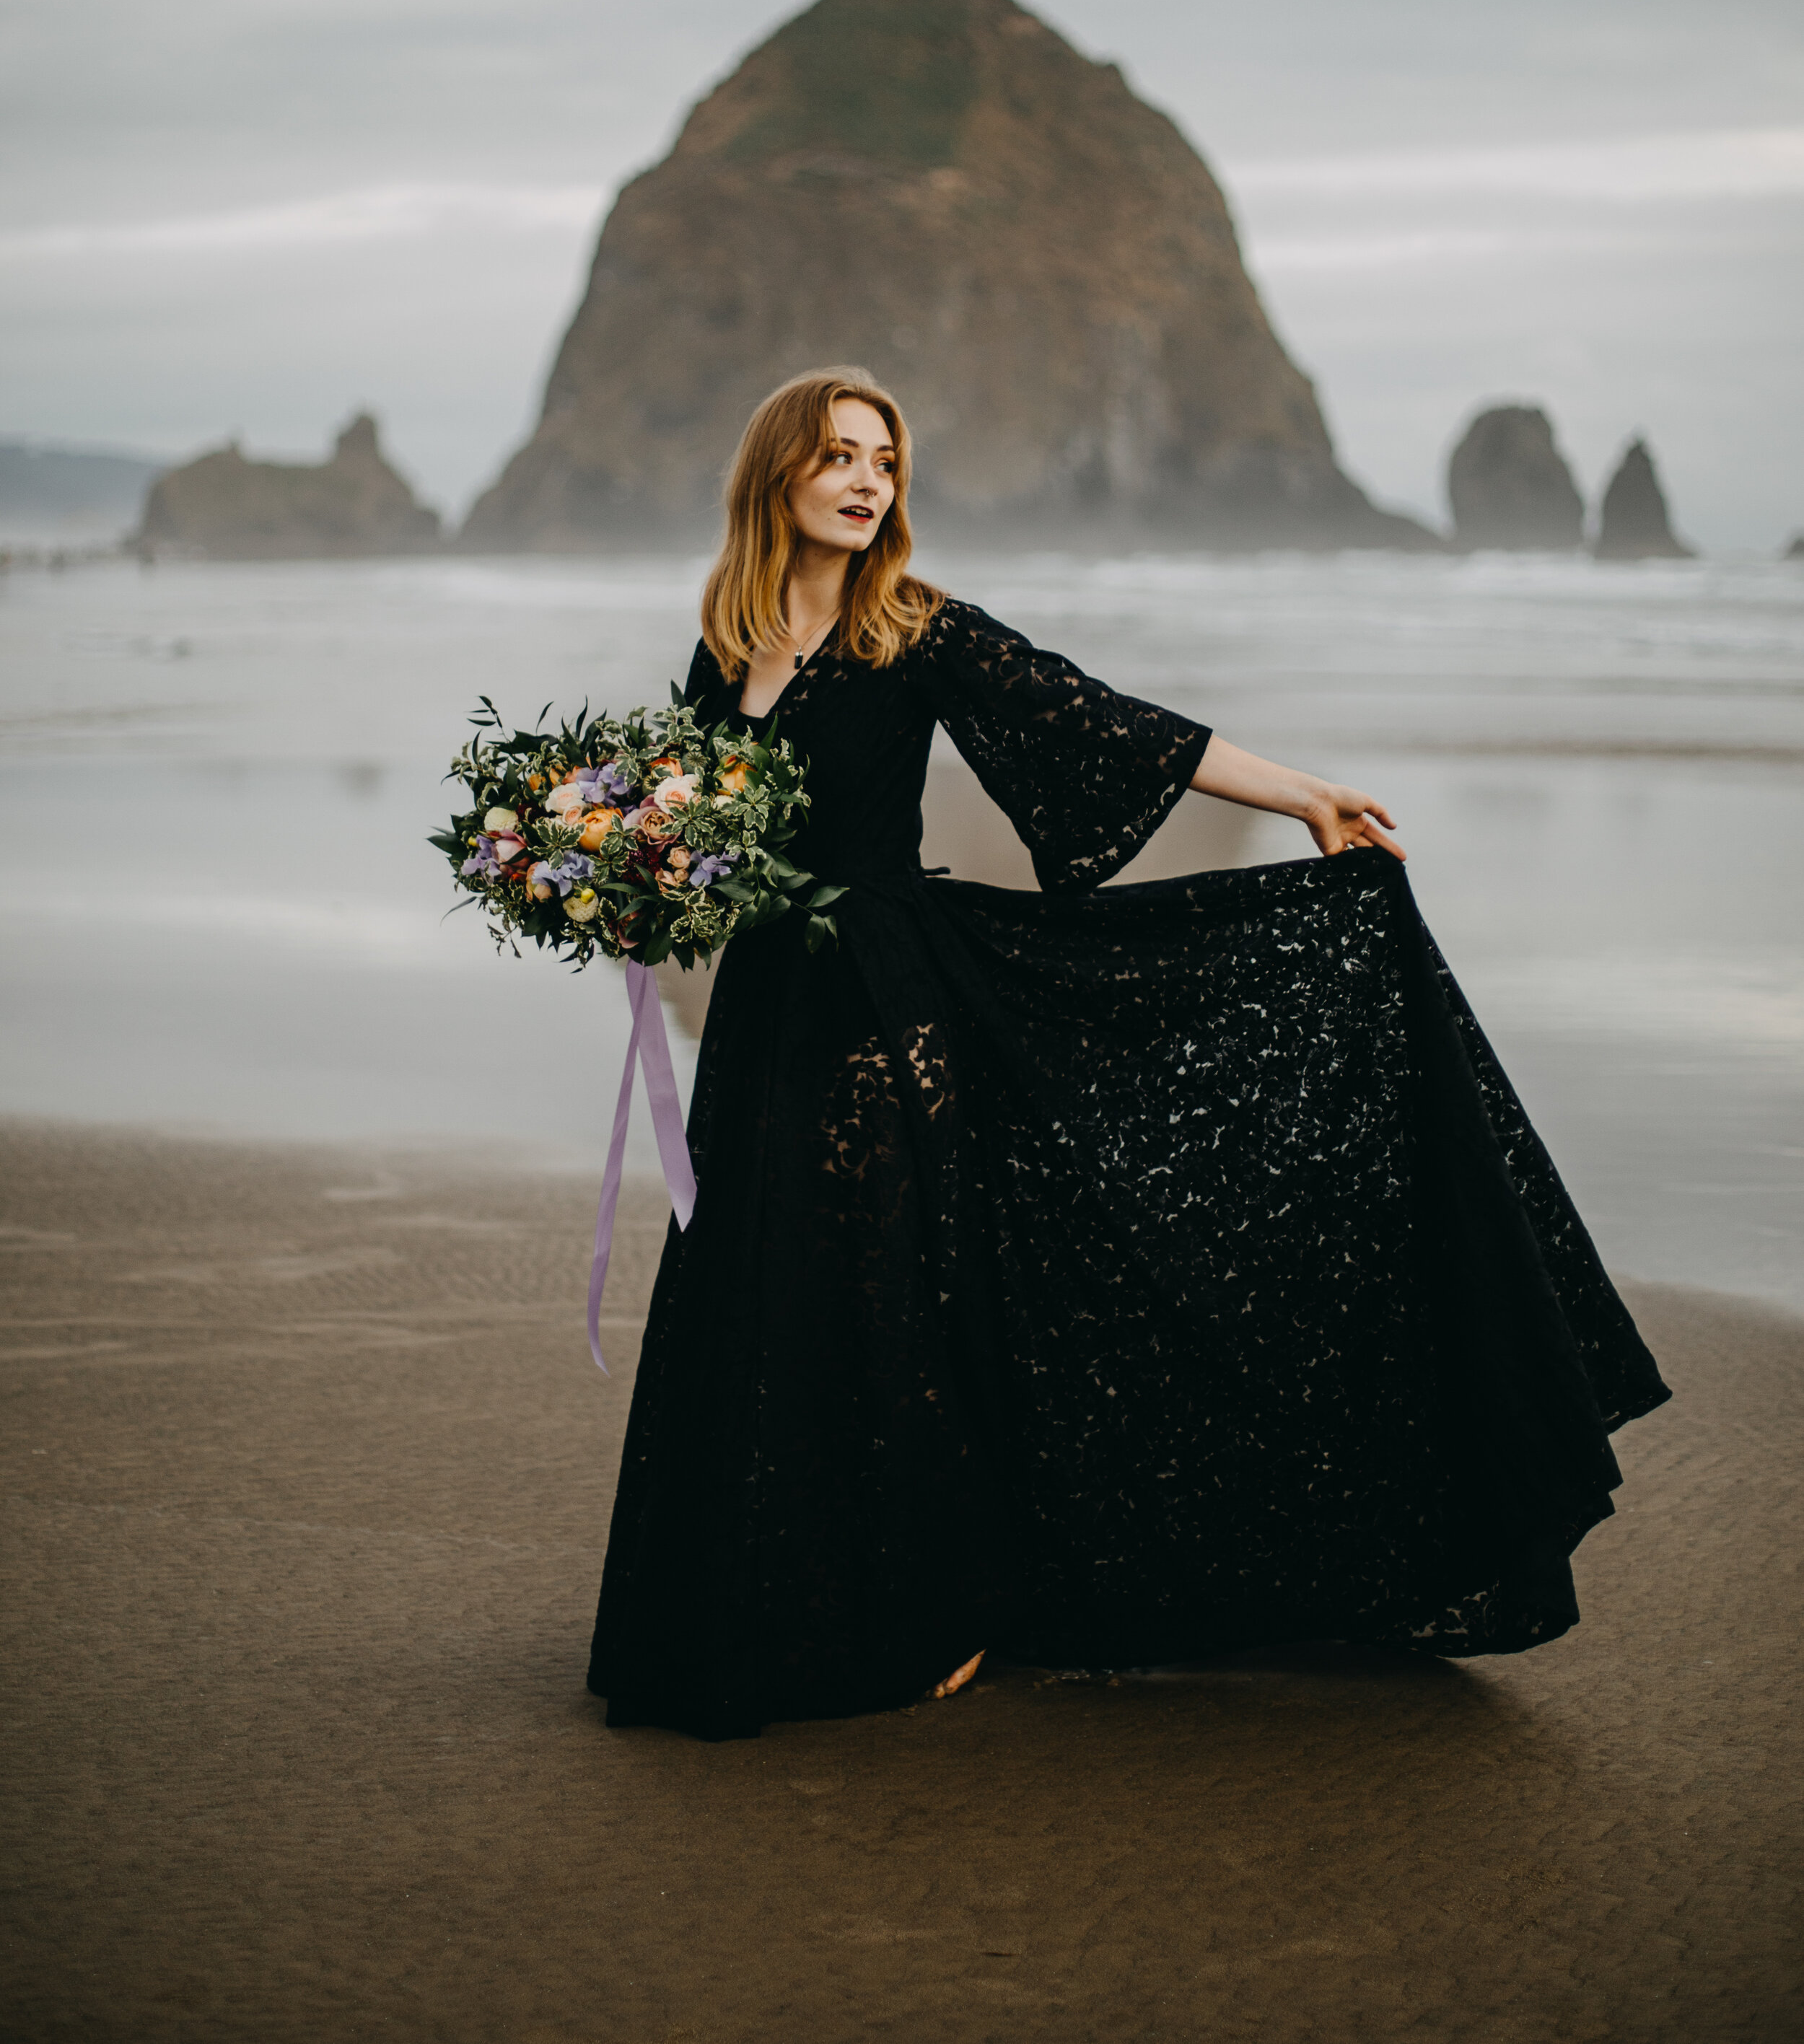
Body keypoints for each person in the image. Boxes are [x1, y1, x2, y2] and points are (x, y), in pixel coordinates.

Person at [588, 369, 1668, 1742]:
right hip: (766, 1011)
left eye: (886, 461)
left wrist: (1304, 795)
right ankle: (747, 1596)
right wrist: (609, 873)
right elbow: (699, 845)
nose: (869, 482)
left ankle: (932, 1608)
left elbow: (1104, 720)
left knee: (881, 1293)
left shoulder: (917, 629)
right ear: (778, 476)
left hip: (890, 997)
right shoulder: (720, 649)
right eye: (841, 457)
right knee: (760, 1284)